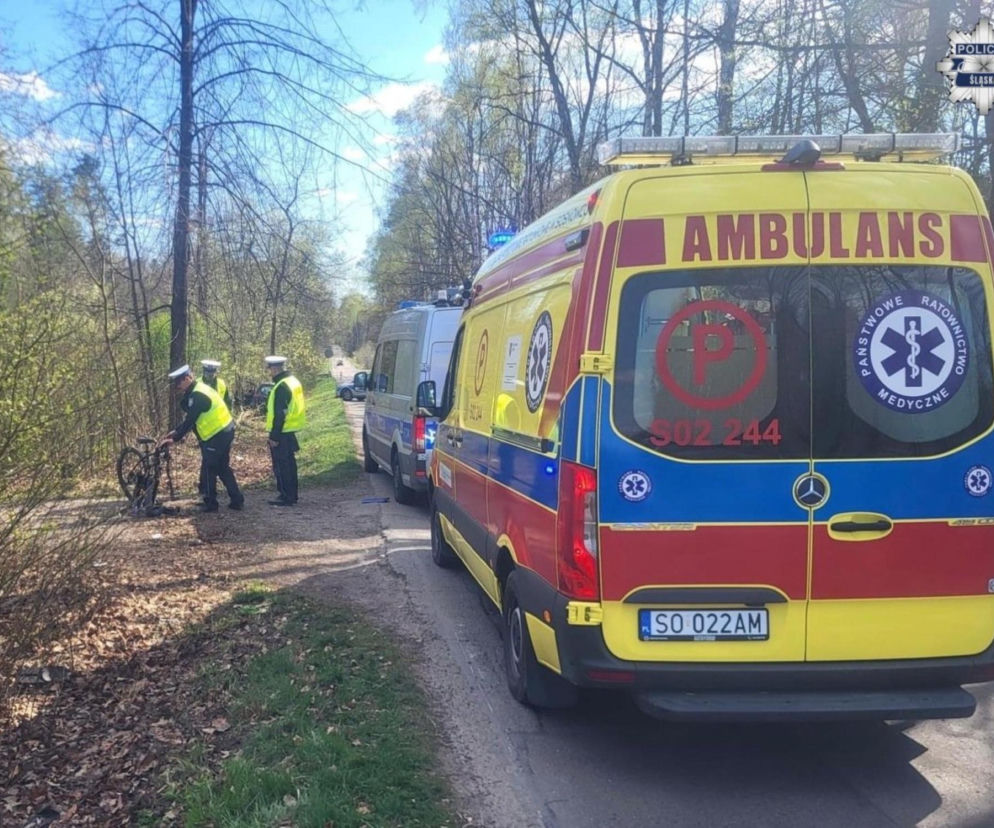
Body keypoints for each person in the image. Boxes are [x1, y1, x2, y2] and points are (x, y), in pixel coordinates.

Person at [160, 364, 244, 512]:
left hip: (217, 434)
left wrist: (175, 438)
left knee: (209, 468)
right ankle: (237, 500)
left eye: (179, 382)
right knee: (222, 467)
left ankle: (210, 503)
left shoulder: (198, 394)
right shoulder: (198, 389)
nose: (177, 386)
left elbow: (191, 419)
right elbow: (190, 418)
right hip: (224, 431)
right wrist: (176, 431)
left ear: (187, 378)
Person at [264, 355, 306, 506]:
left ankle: (285, 496)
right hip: (290, 429)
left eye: (270, 369)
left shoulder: (281, 386)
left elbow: (280, 414)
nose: (269, 372)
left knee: (282, 466)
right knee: (290, 465)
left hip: (282, 431)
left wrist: (274, 436)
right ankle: (292, 494)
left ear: (275, 369)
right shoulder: (293, 381)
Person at [197, 359, 231, 498]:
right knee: (207, 460)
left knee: (222, 460)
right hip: (205, 429)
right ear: (204, 371)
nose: (210, 374)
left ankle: (213, 490)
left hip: (222, 428)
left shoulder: (221, 384)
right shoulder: (198, 384)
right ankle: (204, 488)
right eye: (208, 372)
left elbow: (227, 403)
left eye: (212, 372)